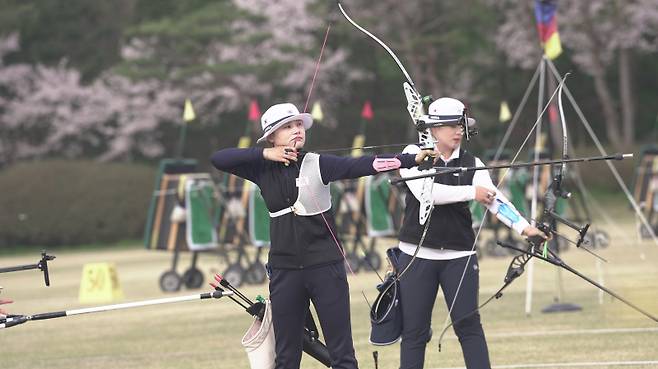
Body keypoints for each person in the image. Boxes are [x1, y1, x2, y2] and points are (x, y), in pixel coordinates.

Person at [211, 102, 432, 369]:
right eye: (287, 127)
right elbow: (219, 159)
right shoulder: (261, 168)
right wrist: (267, 155)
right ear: (271, 136)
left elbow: (364, 165)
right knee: (286, 355)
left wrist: (410, 159)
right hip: (284, 271)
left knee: (342, 354)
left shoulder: (319, 163)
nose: (297, 130)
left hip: (325, 268)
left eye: (298, 125)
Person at [396, 97, 548, 369]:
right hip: (417, 256)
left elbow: (494, 198)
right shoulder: (412, 153)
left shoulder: (471, 161)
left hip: (460, 255)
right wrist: (471, 192)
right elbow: (427, 194)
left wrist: (524, 227)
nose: (458, 131)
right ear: (432, 129)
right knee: (415, 332)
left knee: (468, 326)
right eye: (452, 125)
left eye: (461, 125)